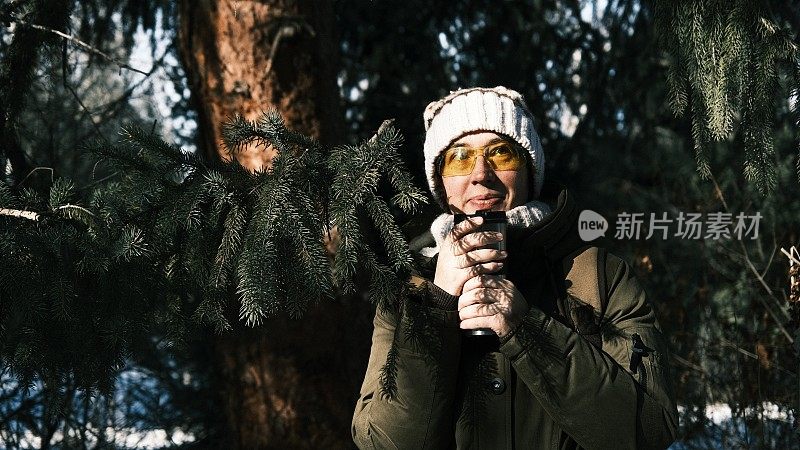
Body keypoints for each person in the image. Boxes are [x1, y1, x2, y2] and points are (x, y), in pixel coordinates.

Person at [352, 86, 679, 449]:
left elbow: (650, 430)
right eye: (459, 157)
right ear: (441, 182)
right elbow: (384, 443)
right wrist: (437, 302)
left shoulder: (599, 275)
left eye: (501, 153)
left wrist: (525, 327)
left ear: (529, 170)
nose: (481, 173)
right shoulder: (408, 290)